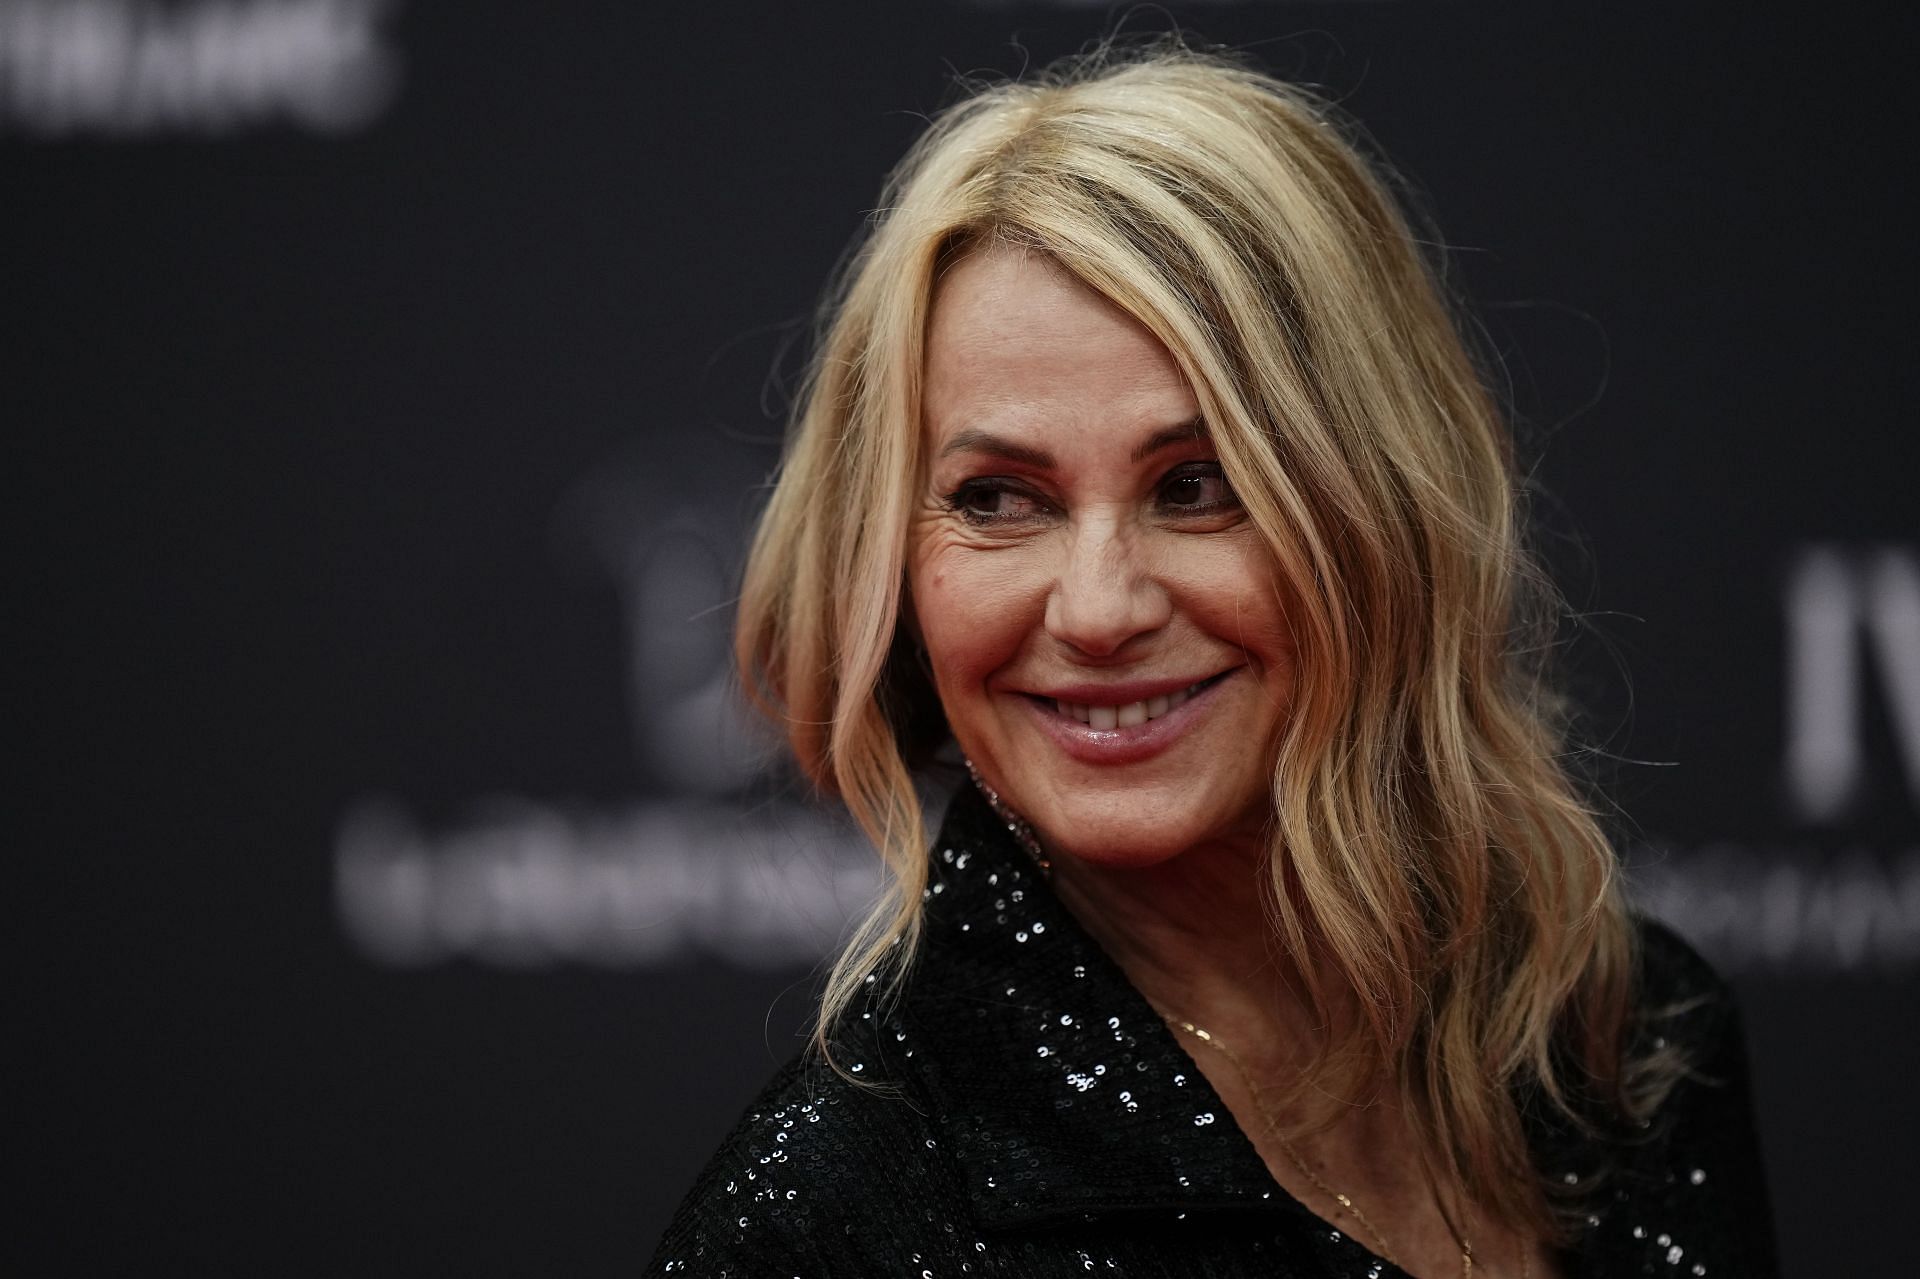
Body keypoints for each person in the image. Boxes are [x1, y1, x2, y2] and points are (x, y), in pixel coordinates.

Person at [647, 41, 1778, 1278]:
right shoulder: (834, 1220)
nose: (1096, 608)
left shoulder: (1628, 1045)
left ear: (1381, 509)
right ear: (890, 569)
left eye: (1197, 486)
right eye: (997, 498)